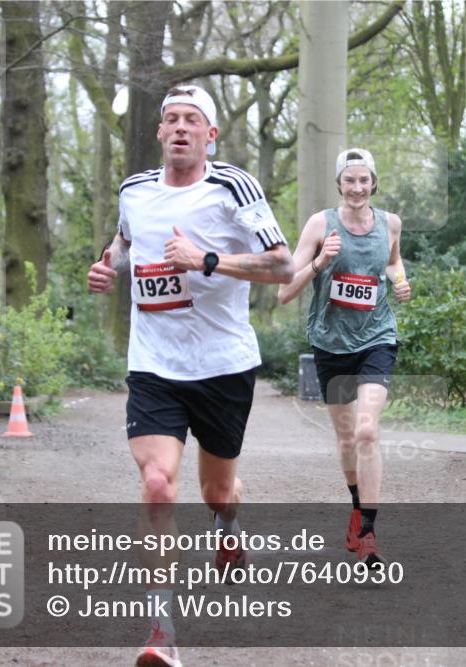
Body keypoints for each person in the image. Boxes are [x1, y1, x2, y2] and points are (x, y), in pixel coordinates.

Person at [87, 82, 294, 667]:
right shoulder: (134, 190)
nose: (180, 128)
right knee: (157, 483)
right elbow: (123, 244)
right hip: (154, 363)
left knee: (215, 490)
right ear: (159, 132)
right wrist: (108, 267)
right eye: (171, 119)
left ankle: (227, 523)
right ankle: (161, 630)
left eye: (191, 120)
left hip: (223, 365)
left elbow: (282, 266)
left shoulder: (232, 187)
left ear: (210, 134)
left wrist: (206, 259)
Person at [277, 148, 410, 568]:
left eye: (364, 179)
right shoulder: (320, 224)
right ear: (339, 183)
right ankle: (357, 508)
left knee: (368, 431)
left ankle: (368, 534)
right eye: (349, 180)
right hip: (331, 343)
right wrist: (321, 261)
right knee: (348, 438)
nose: (357, 187)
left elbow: (392, 260)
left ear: (374, 182)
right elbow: (284, 292)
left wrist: (400, 280)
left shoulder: (390, 223)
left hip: (377, 338)